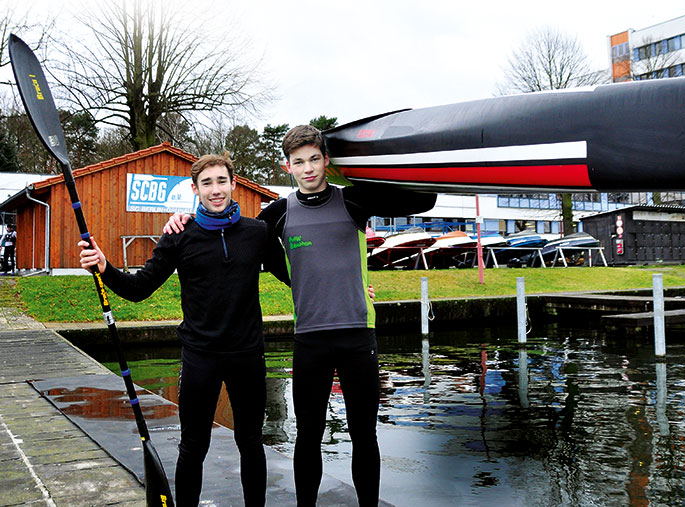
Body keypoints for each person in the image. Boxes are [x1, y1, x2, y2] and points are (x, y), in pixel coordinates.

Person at [165, 125, 437, 506]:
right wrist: (180, 221)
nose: (308, 169)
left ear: (326, 161)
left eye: (314, 159)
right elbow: (229, 231)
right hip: (310, 339)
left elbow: (423, 202)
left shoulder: (354, 202)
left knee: (364, 434)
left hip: (358, 334)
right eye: (298, 162)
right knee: (308, 434)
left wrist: (412, 162)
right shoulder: (275, 215)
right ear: (286, 166)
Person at [79, 153, 286, 506]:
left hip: (246, 356)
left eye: (222, 181)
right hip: (200, 358)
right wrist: (104, 267)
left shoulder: (258, 233)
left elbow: (297, 277)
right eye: (207, 183)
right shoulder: (179, 236)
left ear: (234, 184)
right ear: (195, 189)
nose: (216, 190)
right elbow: (139, 288)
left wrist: (354, 288)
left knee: (251, 442)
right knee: (193, 445)